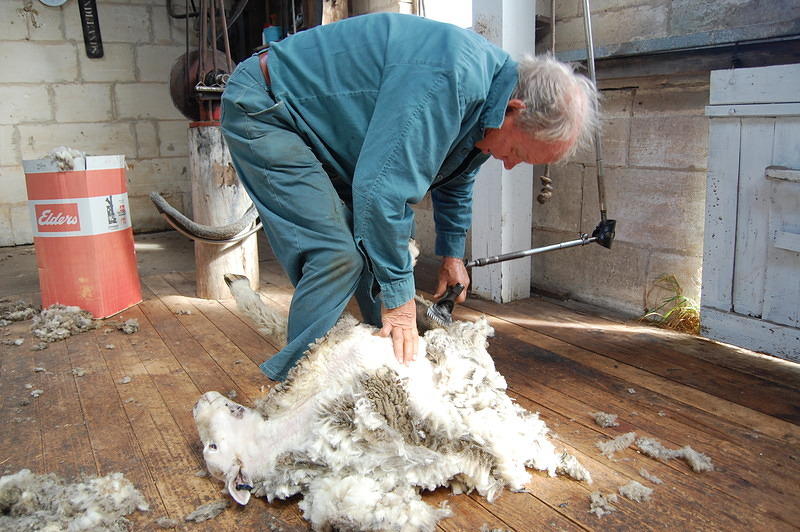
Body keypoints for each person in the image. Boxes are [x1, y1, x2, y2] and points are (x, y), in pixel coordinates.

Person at [220, 12, 597, 381]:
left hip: (319, 130)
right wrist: (400, 304)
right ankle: (294, 395)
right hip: (267, 107)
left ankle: (381, 368)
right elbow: (381, 192)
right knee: (336, 255)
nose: (512, 166)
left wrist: (452, 255)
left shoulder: (493, 97)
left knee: (374, 252)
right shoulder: (451, 80)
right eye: (519, 154)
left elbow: (457, 174)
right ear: (515, 111)